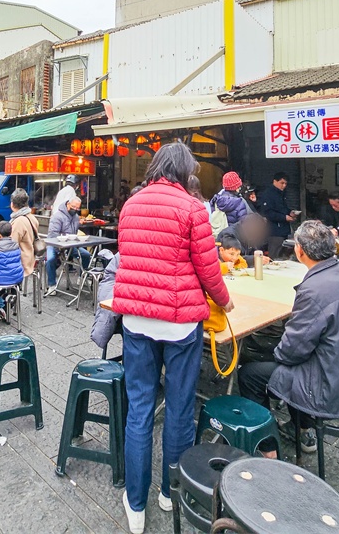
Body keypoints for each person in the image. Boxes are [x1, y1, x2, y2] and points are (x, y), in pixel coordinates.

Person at [114, 143, 233, 534]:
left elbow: (130, 258)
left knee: (141, 409)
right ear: (184, 170)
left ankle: (135, 504)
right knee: (180, 410)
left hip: (135, 319)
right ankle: (169, 491)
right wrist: (225, 302)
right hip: (180, 323)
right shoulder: (192, 208)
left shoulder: (131, 204)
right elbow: (208, 268)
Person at [238, 220, 339, 456]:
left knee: (250, 374)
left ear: (299, 251)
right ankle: (303, 428)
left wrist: (277, 352)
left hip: (325, 381)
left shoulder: (313, 289)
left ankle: (266, 448)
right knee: (286, 359)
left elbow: (291, 352)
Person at [45, 196, 89, 297]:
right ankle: (51, 285)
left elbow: (74, 232)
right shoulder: (57, 216)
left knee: (86, 255)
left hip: (70, 245)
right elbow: (52, 235)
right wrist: (60, 245)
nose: (75, 210)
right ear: (68, 204)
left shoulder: (76, 217)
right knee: (50, 259)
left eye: (78, 208)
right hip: (54, 243)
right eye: (74, 207)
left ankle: (82, 277)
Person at [260, 172, 297, 258]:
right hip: (274, 231)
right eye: (282, 183)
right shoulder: (268, 194)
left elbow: (282, 208)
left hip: (284, 230)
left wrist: (290, 212)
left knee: (284, 255)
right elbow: (267, 213)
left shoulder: (282, 193)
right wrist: (284, 217)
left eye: (285, 184)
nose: (284, 186)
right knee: (275, 255)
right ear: (274, 181)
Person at [9, 188, 40, 276]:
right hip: (30, 258)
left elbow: (12, 244)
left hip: (20, 263)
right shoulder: (31, 217)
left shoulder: (19, 221)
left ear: (12, 204)